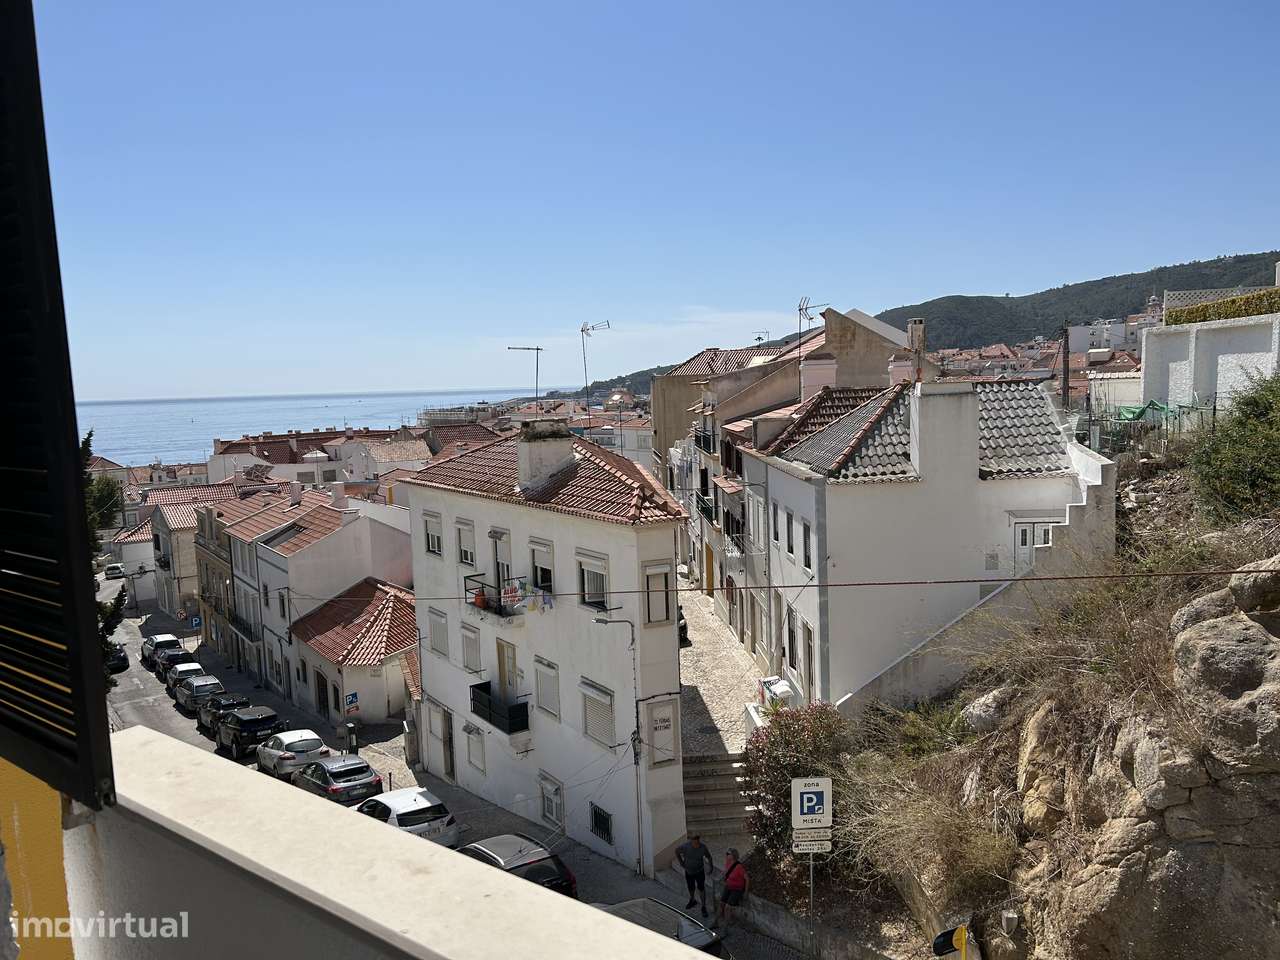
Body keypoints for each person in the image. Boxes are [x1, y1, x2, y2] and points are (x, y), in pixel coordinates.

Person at [675, 833, 714, 915]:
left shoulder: (703, 847)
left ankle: (703, 906)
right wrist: (681, 862)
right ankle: (692, 900)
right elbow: (677, 851)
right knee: (691, 887)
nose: (696, 843)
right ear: (691, 840)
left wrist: (711, 867)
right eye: (694, 840)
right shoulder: (685, 846)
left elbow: (709, 856)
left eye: (697, 840)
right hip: (689, 871)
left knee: (701, 888)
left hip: (699, 871)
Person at [711, 847, 748, 931]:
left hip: (737, 889)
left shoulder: (739, 867)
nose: (726, 855)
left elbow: (747, 878)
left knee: (727, 908)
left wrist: (745, 892)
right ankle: (715, 922)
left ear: (733, 856)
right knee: (721, 904)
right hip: (728, 886)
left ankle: (725, 928)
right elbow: (726, 871)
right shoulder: (728, 862)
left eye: (728, 854)